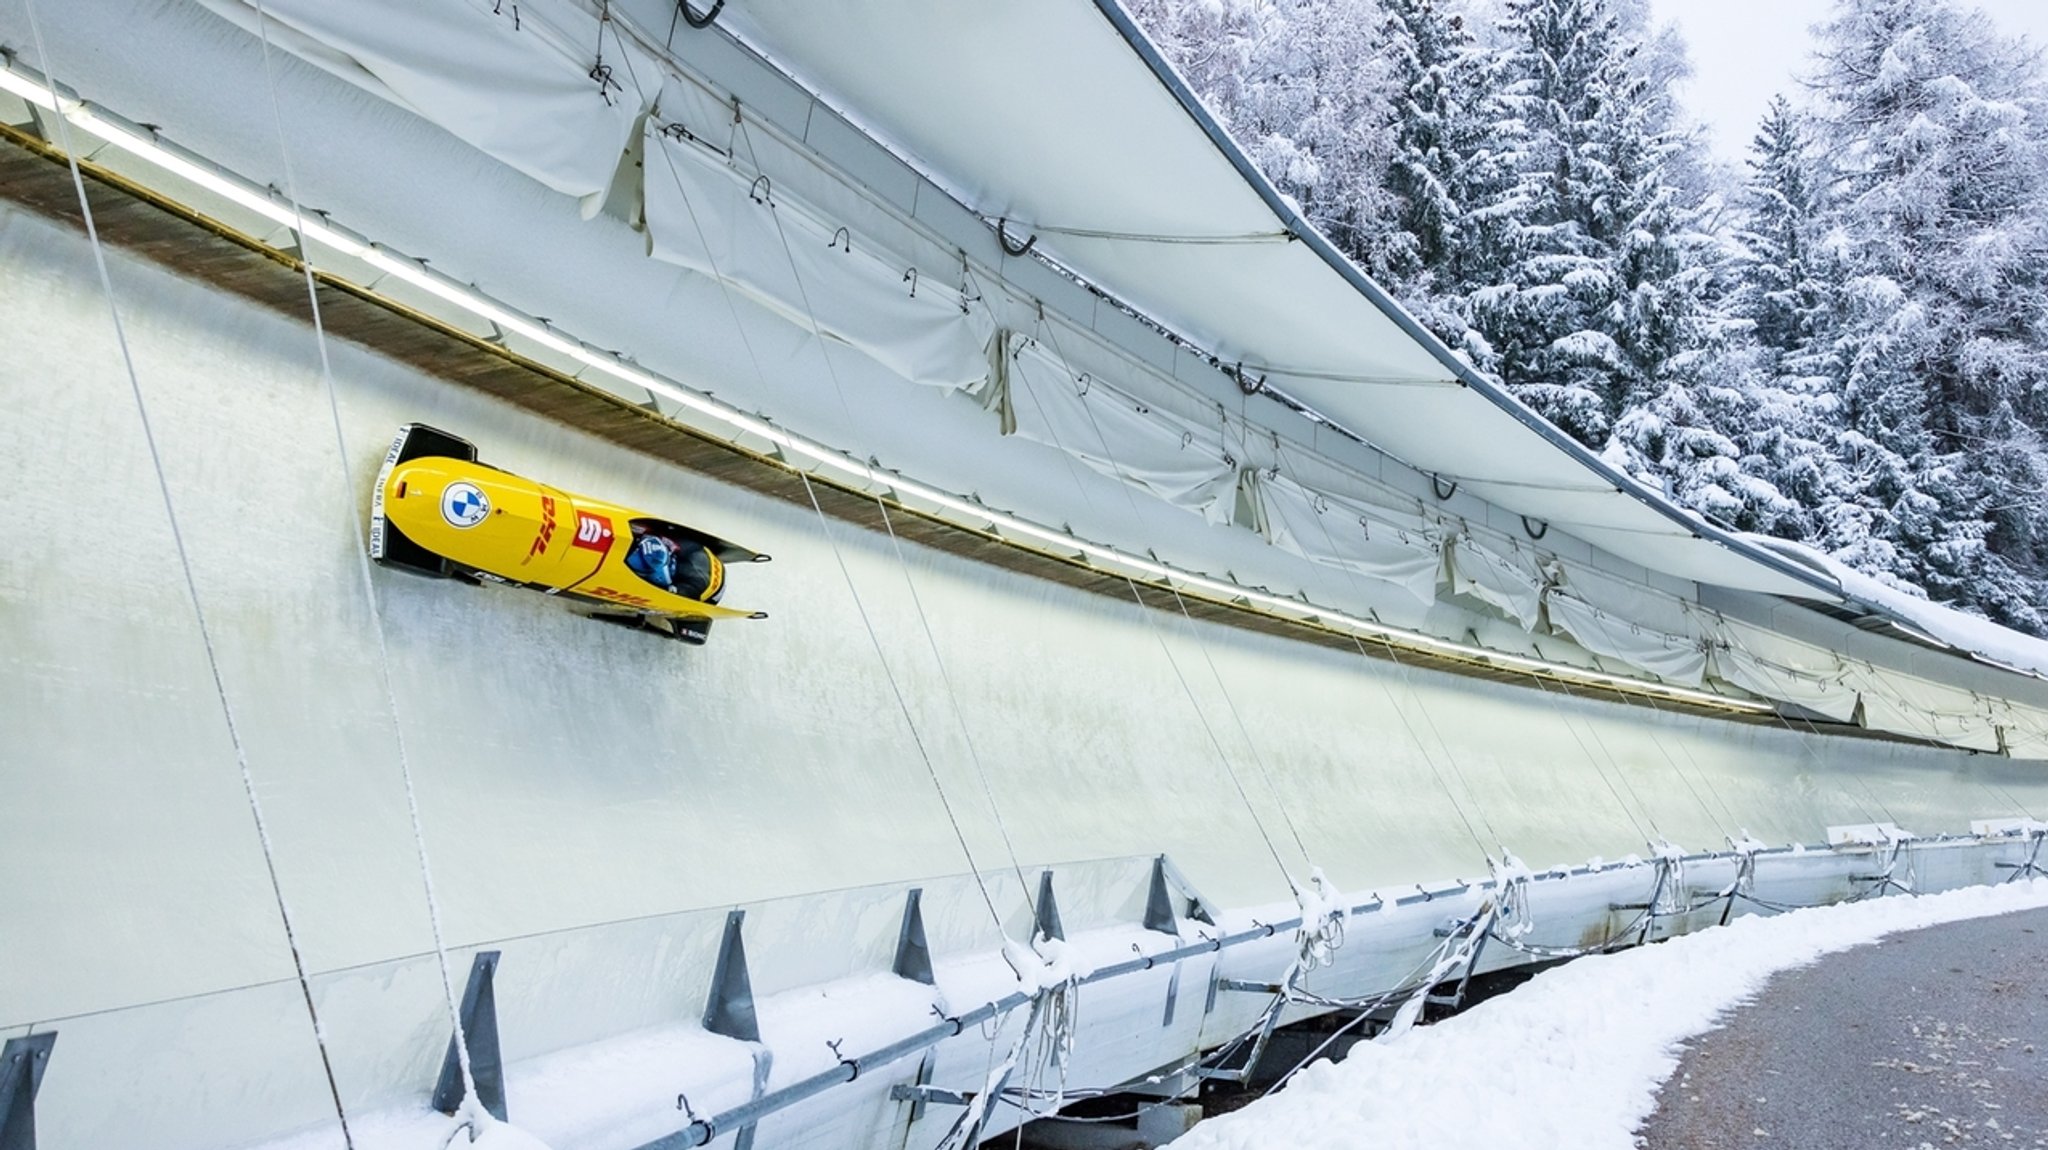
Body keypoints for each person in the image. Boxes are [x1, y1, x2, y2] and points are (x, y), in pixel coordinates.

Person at [624, 527, 724, 602]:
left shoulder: (690, 588)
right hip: (699, 555)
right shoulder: (685, 547)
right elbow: (660, 537)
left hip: (710, 593)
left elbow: (667, 595)